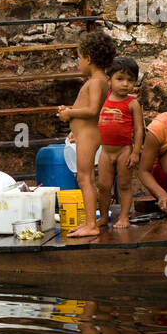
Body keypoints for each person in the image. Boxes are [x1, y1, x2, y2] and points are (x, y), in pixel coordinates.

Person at [55, 30, 116, 237]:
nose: (79, 62)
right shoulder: (98, 80)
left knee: (85, 178)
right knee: (86, 178)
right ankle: (93, 220)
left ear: (89, 59)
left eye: (79, 58)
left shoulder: (97, 81)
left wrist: (70, 113)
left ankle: (91, 224)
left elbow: (93, 110)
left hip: (89, 134)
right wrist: (71, 117)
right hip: (83, 134)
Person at [96, 56, 144, 229]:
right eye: (120, 79)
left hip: (124, 150)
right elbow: (91, 120)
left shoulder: (132, 104)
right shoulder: (102, 100)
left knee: (124, 185)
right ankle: (103, 217)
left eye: (130, 80)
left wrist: (136, 152)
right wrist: (75, 134)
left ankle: (124, 217)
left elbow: (139, 130)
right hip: (105, 151)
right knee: (103, 185)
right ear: (109, 80)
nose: (125, 84)